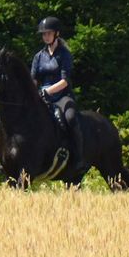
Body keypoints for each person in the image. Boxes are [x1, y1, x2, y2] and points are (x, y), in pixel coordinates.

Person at [30, 16, 85, 173]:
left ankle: (78, 157)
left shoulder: (64, 54)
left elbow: (65, 81)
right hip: (42, 96)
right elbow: (34, 80)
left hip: (62, 96)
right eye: (44, 34)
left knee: (70, 118)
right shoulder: (38, 56)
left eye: (49, 33)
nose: (46, 36)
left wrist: (47, 91)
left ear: (57, 34)